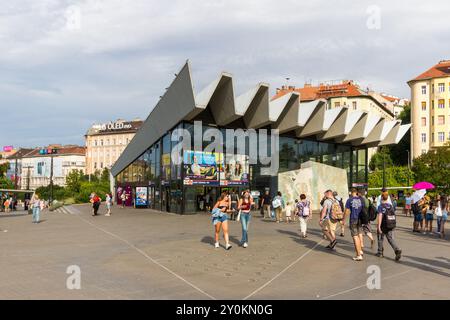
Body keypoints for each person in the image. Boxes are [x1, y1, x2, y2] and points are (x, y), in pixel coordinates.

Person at [376, 191, 402, 261]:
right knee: (390, 239)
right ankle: (397, 249)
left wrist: (378, 226)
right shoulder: (390, 206)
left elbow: (380, 216)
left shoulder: (380, 206)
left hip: (383, 225)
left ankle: (380, 252)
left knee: (380, 238)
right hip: (390, 224)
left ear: (381, 198)